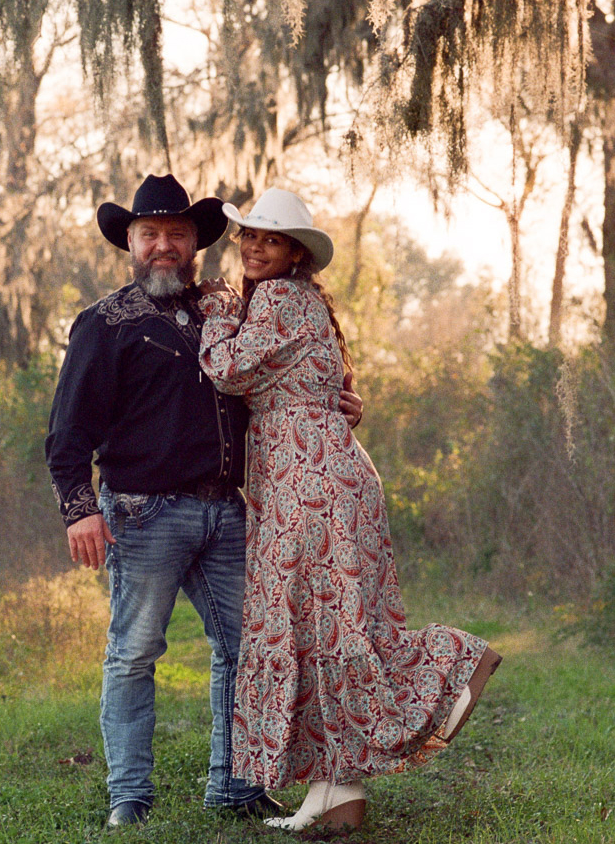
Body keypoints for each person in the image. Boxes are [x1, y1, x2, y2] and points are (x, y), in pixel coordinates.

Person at [44, 174, 363, 827]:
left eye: (177, 233)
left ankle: (236, 788)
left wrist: (336, 404)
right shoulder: (104, 324)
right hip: (142, 512)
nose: (164, 244)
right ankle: (128, 797)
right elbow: (68, 429)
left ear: (195, 242)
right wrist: (79, 508)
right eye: (150, 233)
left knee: (248, 647)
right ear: (130, 242)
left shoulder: (230, 311)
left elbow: (278, 375)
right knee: (134, 653)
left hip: (227, 510)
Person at [197, 188, 503, 834]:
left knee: (322, 625)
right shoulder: (300, 302)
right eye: (248, 236)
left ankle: (451, 661)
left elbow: (224, 368)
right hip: (321, 475)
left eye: (270, 240)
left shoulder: (275, 301)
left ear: (295, 254)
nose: (254, 247)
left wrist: (219, 310)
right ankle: (335, 790)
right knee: (321, 625)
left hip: (310, 484)